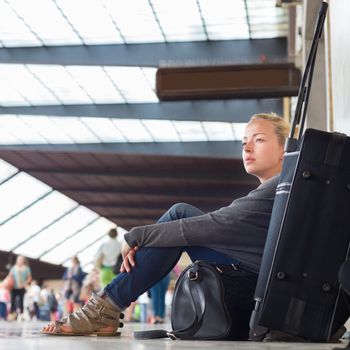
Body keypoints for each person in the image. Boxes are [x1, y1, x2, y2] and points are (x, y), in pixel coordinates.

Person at [42, 113, 290, 338]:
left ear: (284, 150)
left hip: (258, 288)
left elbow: (214, 225)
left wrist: (138, 235)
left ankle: (104, 308)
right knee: (180, 217)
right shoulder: (281, 189)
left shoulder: (278, 187)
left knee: (179, 216)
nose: (246, 147)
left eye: (258, 140)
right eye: (244, 141)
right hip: (260, 279)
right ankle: (106, 308)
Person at [8, 255, 32, 321]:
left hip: (22, 288)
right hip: (14, 287)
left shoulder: (27, 268)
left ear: (23, 261)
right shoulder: (13, 268)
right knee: (12, 301)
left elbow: (29, 278)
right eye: (19, 259)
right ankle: (12, 315)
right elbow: (9, 276)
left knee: (21, 301)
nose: (20, 260)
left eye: (21, 259)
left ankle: (20, 315)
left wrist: (25, 283)